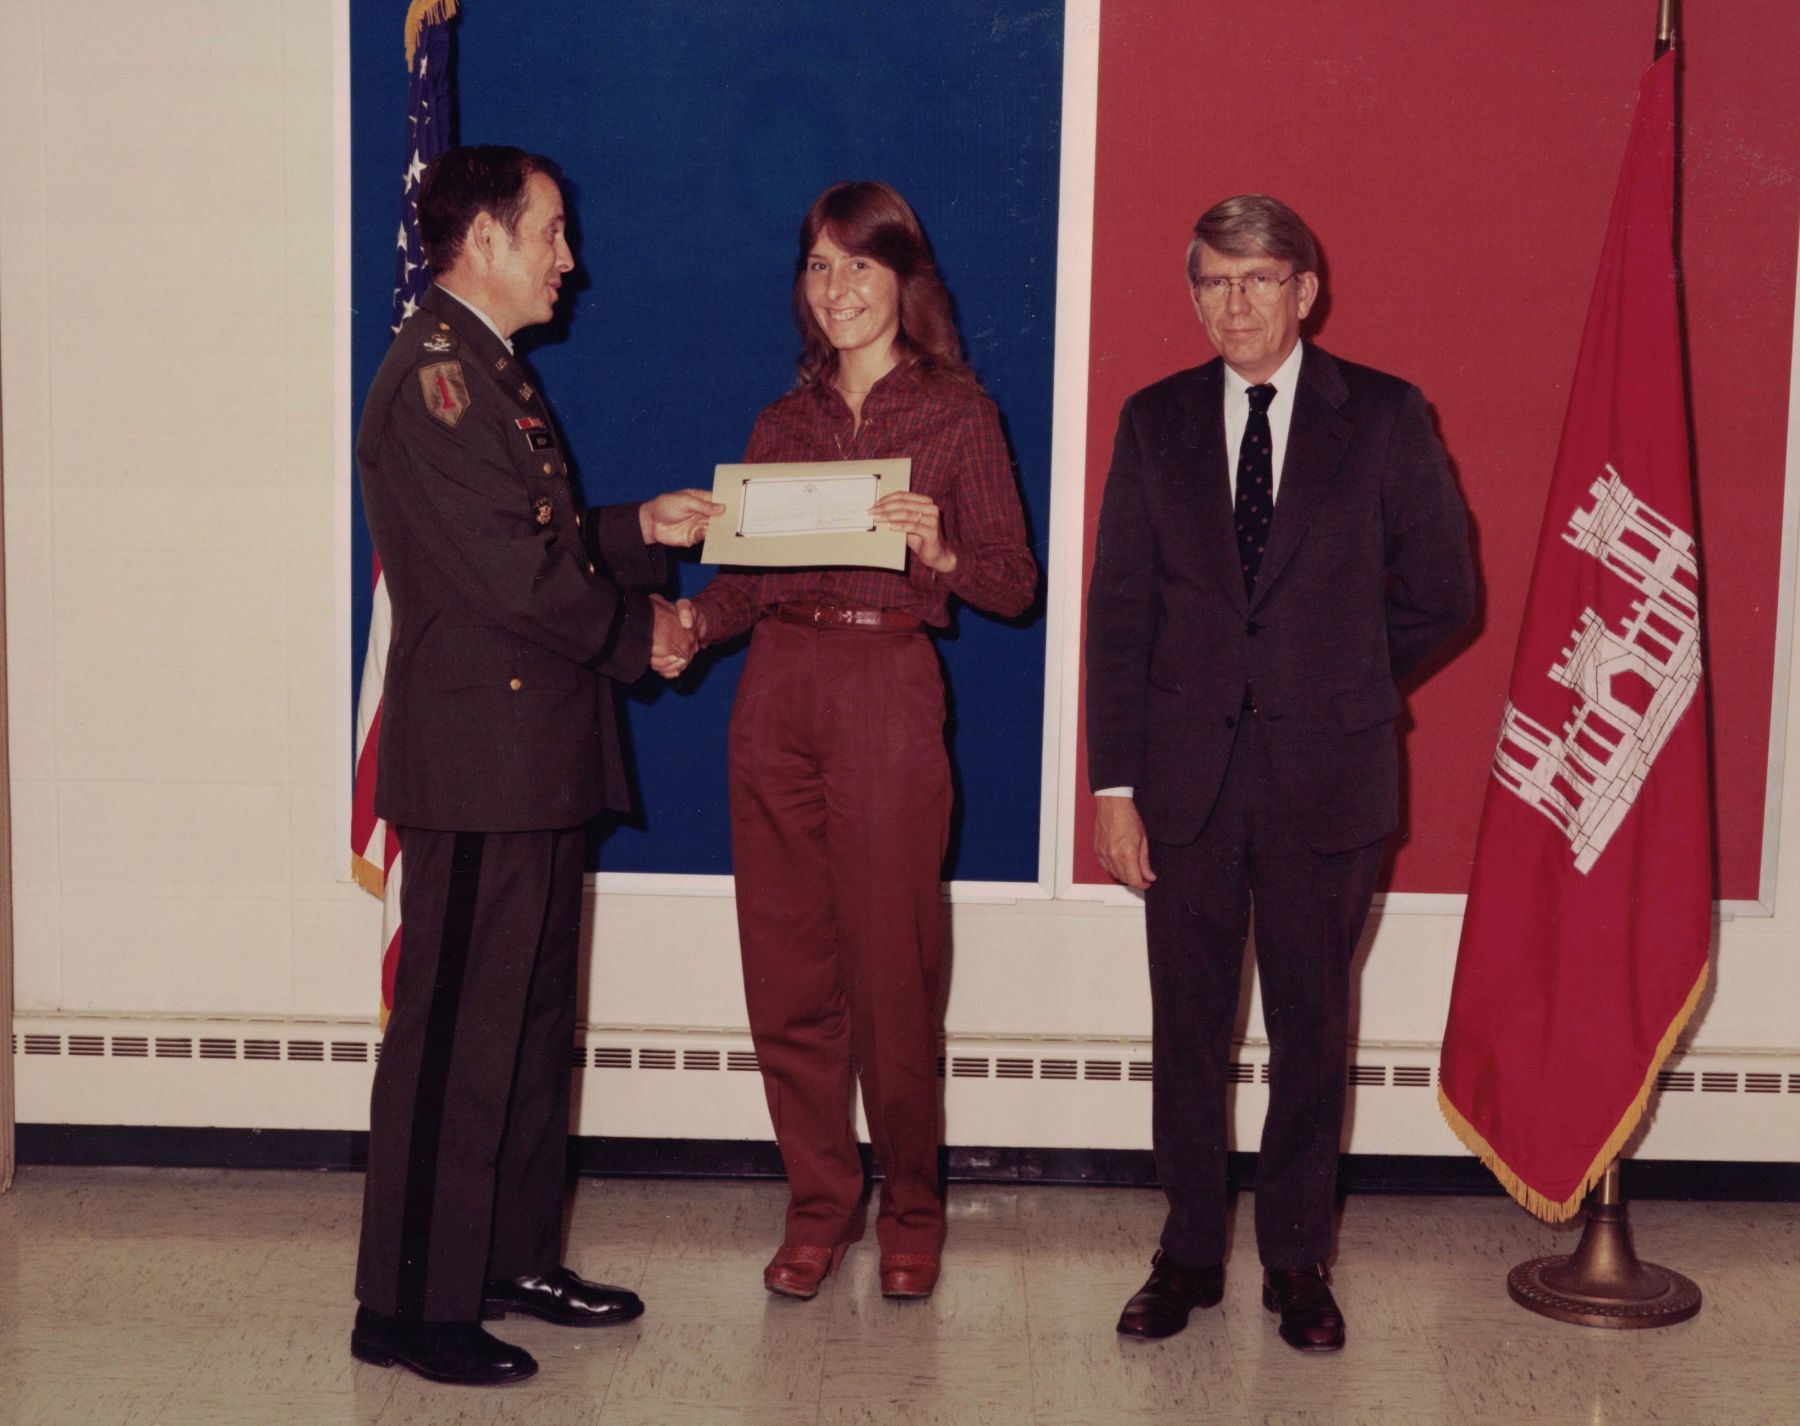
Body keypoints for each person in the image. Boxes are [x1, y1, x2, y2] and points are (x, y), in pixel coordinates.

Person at [351, 144, 719, 1387]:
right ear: (485, 244)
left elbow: (539, 535)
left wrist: (636, 529)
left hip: (528, 755)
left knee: (525, 1023)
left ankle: (505, 1257)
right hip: (479, 761)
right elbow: (510, 575)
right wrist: (643, 632)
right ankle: (409, 1305)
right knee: (457, 1038)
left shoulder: (487, 367)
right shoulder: (437, 381)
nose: (571, 259)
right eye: (552, 233)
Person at [1085, 194, 1474, 1351]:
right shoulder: (1152, 421)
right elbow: (1117, 617)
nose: (1233, 304)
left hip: (1329, 773)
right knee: (1187, 1030)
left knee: (1313, 1027)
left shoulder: (1388, 416)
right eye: (1211, 282)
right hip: (1181, 780)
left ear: (1306, 290)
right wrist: (1114, 786)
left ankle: (1299, 1259)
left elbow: (1446, 592)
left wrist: (1345, 677)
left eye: (1257, 281)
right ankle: (1189, 1250)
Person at [679, 181, 1036, 1301]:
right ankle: (818, 1204)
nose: (836, 290)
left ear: (903, 280)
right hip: (779, 687)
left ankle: (914, 1210)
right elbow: (744, 588)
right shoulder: (780, 424)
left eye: (859, 267)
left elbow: (1013, 585)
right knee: (786, 968)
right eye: (818, 268)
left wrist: (943, 556)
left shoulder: (959, 414)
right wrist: (688, 620)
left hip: (888, 684)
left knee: (892, 968)